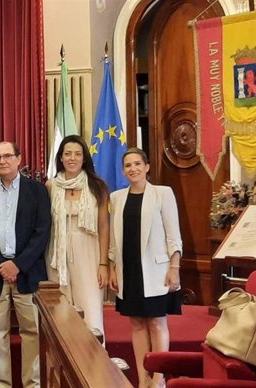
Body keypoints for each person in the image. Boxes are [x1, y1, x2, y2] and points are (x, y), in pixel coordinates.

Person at [0, 141, 51, 388]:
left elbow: (42, 232)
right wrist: (2, 265)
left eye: (7, 156)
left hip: (28, 274)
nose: (2, 161)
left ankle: (33, 384)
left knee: (32, 333)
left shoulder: (37, 191)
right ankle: (0, 384)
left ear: (19, 159)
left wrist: (17, 265)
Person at [108, 147, 182, 388]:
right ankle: (143, 378)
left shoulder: (163, 194)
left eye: (137, 163)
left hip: (156, 271)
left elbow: (174, 235)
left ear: (147, 166)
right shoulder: (116, 198)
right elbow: (113, 238)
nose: (133, 169)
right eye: (128, 165)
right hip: (128, 271)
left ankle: (159, 379)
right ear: (123, 170)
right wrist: (111, 267)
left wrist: (175, 266)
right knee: (137, 324)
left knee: (156, 322)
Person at [46, 135, 109, 335]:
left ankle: (93, 363)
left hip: (89, 254)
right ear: (61, 158)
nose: (72, 158)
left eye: (77, 154)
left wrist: (104, 264)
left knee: (90, 311)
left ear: (84, 158)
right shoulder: (51, 186)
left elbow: (104, 227)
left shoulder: (97, 186)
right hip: (57, 255)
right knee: (61, 311)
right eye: (67, 154)